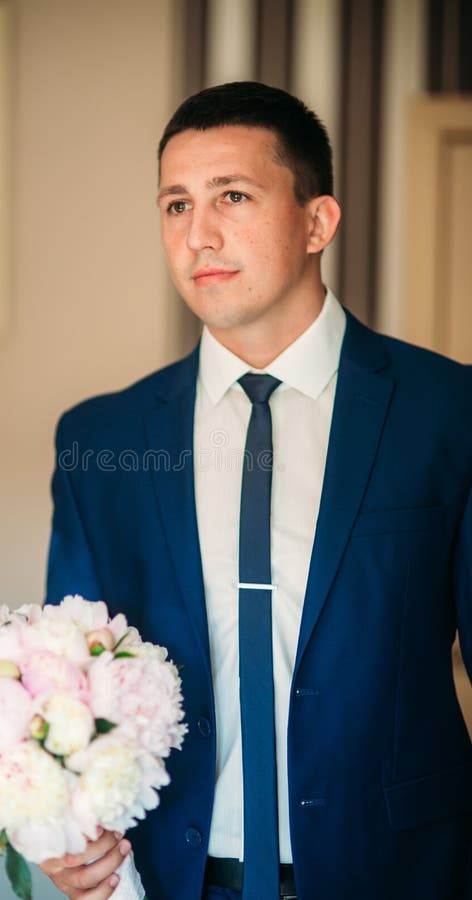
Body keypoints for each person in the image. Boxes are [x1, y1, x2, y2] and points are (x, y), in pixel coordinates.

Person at [42, 82, 472, 900]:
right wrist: (67, 830)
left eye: (232, 196)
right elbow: (71, 682)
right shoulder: (102, 440)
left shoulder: (449, 413)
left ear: (318, 222)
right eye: (175, 204)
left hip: (401, 872)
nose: (198, 235)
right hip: (173, 875)